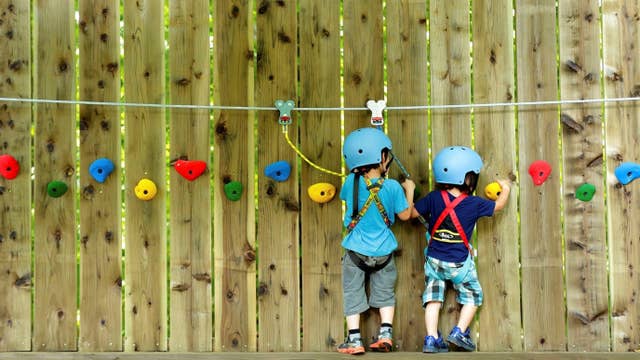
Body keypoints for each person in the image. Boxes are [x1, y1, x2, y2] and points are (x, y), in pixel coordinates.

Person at [412, 146, 510, 353]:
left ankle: (431, 338)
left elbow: (411, 213)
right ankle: (459, 332)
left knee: (433, 298)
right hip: (458, 264)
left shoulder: (433, 198)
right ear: (467, 178)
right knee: (473, 296)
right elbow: (498, 206)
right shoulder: (474, 203)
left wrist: (409, 191)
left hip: (434, 261)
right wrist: (506, 189)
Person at [337, 127, 415, 355]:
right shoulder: (392, 187)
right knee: (385, 293)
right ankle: (386, 334)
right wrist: (409, 190)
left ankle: (354, 340)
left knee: (352, 292)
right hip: (383, 252)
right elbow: (405, 216)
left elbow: (349, 200)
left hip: (355, 251)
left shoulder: (350, 181)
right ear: (381, 158)